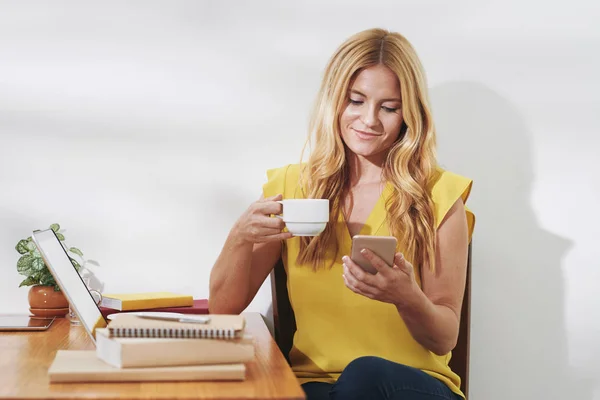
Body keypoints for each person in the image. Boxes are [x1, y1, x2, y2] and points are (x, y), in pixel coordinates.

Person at [208, 28, 475, 400]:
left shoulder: (438, 195)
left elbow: (445, 337)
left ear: (409, 114)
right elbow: (223, 307)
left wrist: (406, 297)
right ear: (335, 100)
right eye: (356, 100)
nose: (369, 120)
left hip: (414, 387)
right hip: (317, 386)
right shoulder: (292, 188)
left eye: (389, 107)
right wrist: (239, 237)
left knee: (364, 374)